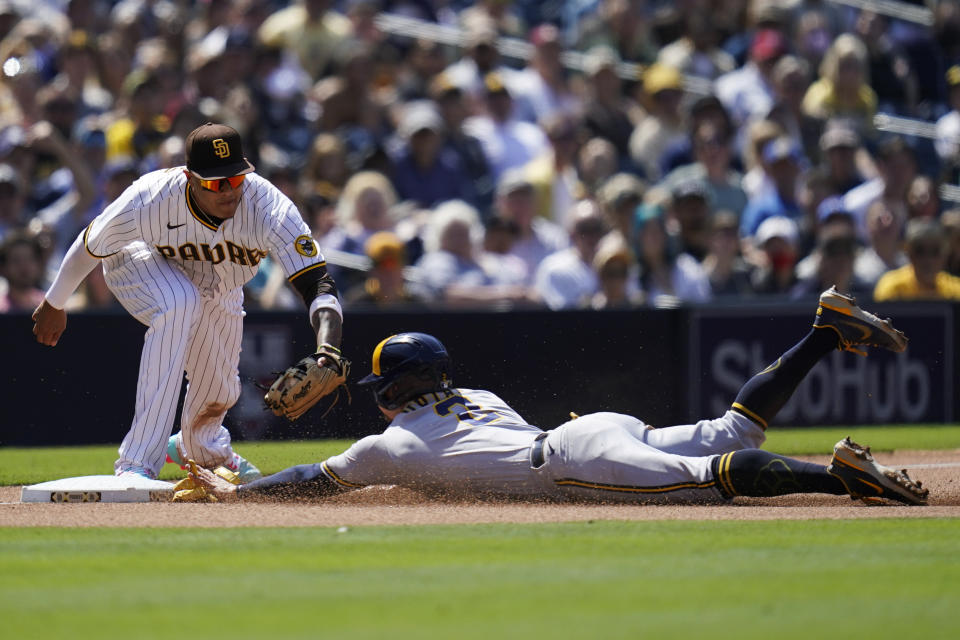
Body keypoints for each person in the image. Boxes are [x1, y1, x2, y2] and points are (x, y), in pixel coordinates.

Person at [190, 292, 927, 506]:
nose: (377, 400)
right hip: (593, 429)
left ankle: (839, 477)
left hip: (569, 457)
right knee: (730, 429)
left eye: (384, 388)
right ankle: (825, 333)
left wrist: (240, 491)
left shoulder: (391, 447)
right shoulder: (476, 393)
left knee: (708, 482)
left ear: (402, 390)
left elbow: (309, 482)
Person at [31, 123, 344, 481]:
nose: (228, 190)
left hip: (221, 286)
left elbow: (316, 281)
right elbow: (92, 243)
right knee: (178, 301)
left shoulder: (268, 208)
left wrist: (327, 350)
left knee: (220, 391)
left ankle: (200, 449)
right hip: (136, 261)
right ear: (189, 177)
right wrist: (55, 301)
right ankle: (136, 463)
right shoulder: (153, 198)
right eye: (215, 182)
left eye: (236, 178)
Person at [873, 218, 960, 301]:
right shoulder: (892, 287)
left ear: (946, 253)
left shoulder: (955, 290)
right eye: (919, 250)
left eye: (935, 251)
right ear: (908, 253)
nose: (928, 259)